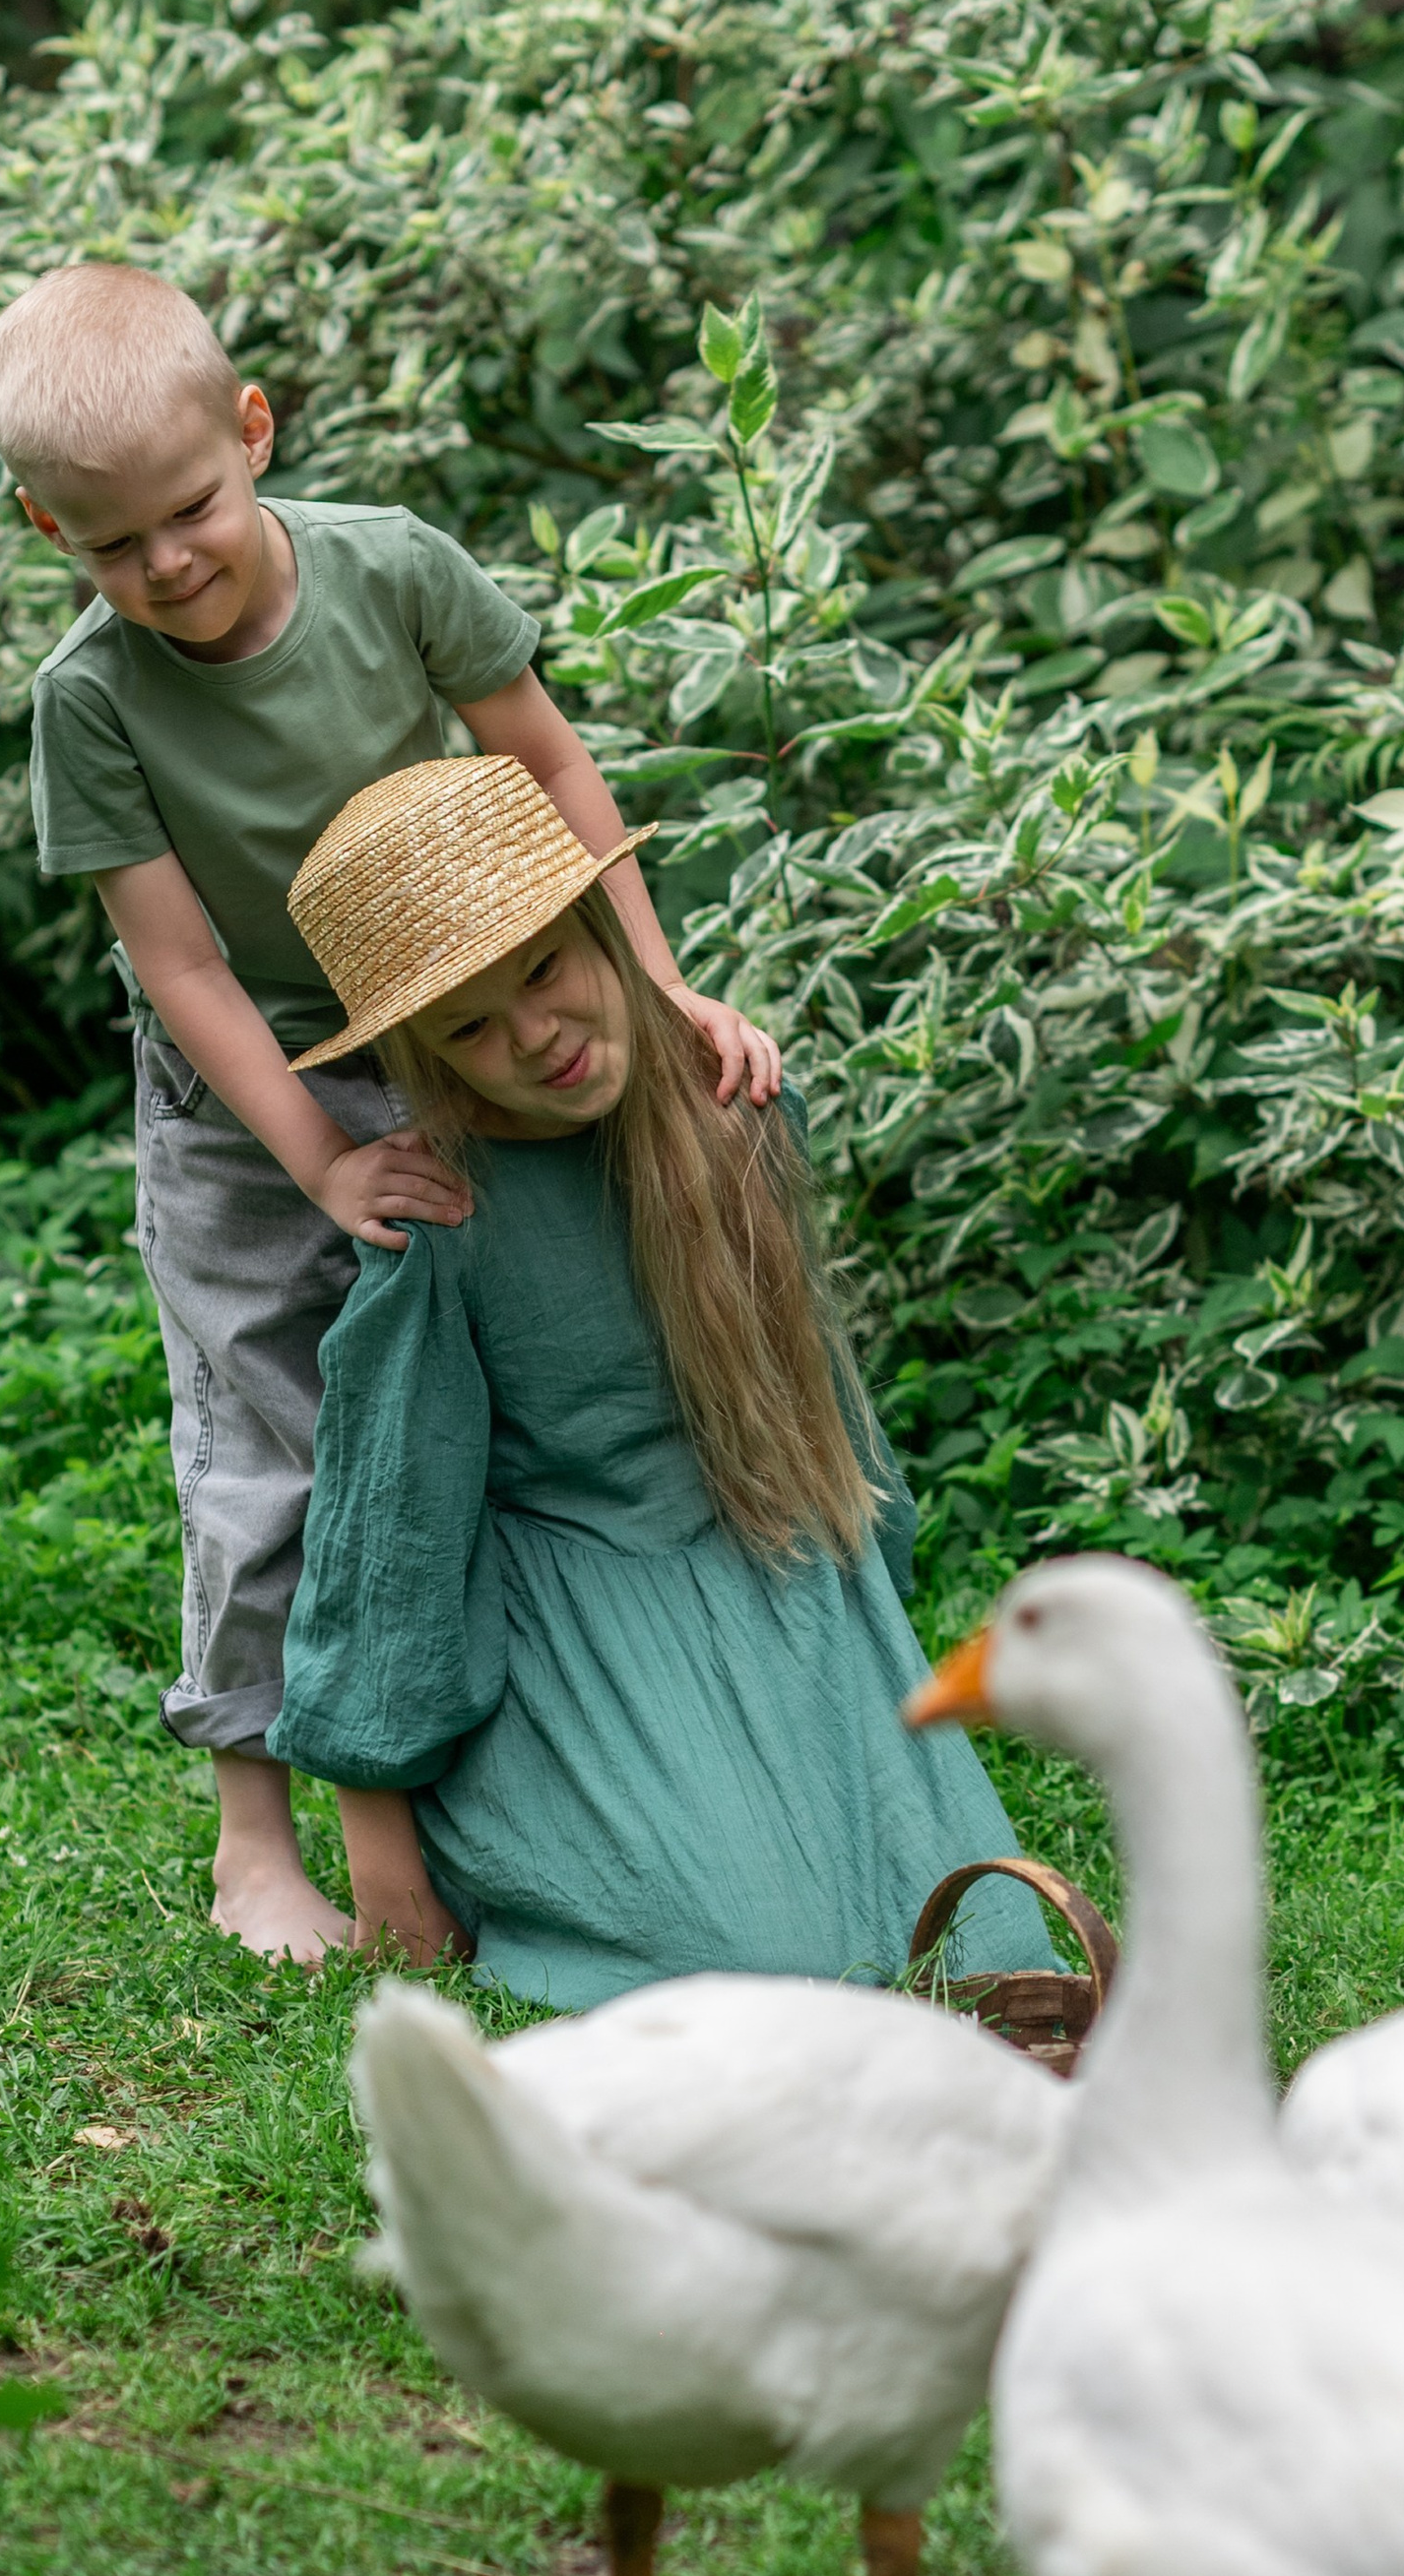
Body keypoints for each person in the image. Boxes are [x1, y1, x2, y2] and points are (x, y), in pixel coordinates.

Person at [0, 260, 778, 1968]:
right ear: (51, 529)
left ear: (252, 429)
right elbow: (180, 962)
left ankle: (518, 1767)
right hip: (244, 1093)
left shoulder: (395, 568)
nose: (167, 563)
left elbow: (549, 769)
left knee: (484, 1411)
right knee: (275, 1442)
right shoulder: (93, 699)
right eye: (114, 545)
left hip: (452, 1030)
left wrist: (656, 985)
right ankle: (256, 1837)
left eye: (190, 508)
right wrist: (319, 1156)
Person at [263, 753, 1053, 2010]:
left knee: (987, 1943)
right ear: (424, 1053)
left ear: (605, 935)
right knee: (766, 1965)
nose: (534, 1036)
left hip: (780, 1577)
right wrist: (383, 1859)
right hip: (573, 1622)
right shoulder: (444, 1222)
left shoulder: (733, 1114)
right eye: (469, 1025)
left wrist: (872, 1637)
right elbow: (392, 1542)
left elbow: (820, 1413)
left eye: (545, 972)